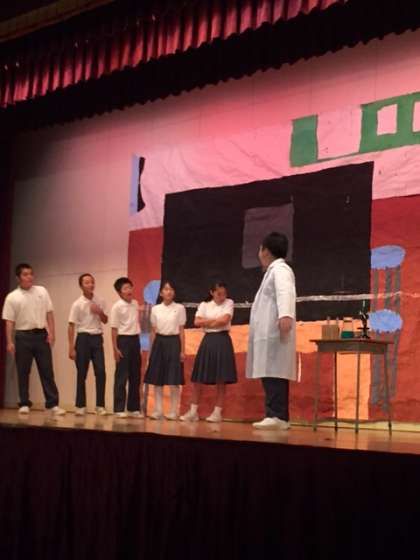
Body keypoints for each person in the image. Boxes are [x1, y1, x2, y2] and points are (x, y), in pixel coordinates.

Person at [246, 232, 296, 430]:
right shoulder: (272, 271)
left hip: (274, 332)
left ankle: (277, 415)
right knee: (270, 371)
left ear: (265, 251)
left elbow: (285, 292)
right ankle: (275, 415)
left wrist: (285, 314)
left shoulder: (280, 270)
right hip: (268, 333)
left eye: (260, 248)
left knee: (274, 371)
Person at [1, 263, 66, 416]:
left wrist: (52, 333)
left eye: (31, 273)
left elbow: (49, 313)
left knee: (47, 371)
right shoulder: (12, 297)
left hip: (41, 335)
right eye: (25, 274)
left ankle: (52, 404)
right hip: (23, 337)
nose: (29, 277)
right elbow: (9, 321)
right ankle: (24, 403)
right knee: (23, 371)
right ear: (18, 278)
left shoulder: (42, 291)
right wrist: (9, 341)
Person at [181, 281, 237, 423]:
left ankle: (217, 413)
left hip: (223, 341)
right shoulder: (204, 305)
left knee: (221, 378)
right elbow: (196, 322)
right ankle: (193, 412)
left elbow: (224, 320)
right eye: (219, 294)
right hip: (208, 340)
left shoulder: (229, 302)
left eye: (224, 294)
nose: (222, 297)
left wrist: (207, 321)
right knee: (198, 378)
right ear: (212, 292)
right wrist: (214, 321)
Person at [144, 280, 186, 420]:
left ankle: (173, 411)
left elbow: (181, 330)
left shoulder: (180, 308)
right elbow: (153, 331)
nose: (169, 292)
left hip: (174, 342)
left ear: (174, 292)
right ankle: (158, 410)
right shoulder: (155, 309)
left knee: (174, 379)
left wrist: (182, 350)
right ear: (161, 293)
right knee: (157, 379)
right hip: (159, 343)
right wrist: (151, 351)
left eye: (171, 289)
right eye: (166, 289)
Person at [68, 273, 108, 416]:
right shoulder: (77, 304)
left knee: (101, 372)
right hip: (83, 338)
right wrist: (71, 347)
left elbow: (105, 320)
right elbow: (71, 326)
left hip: (97, 338)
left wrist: (99, 311)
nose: (90, 284)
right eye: (87, 282)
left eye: (92, 282)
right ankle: (80, 405)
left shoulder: (100, 300)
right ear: (81, 286)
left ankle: (100, 406)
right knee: (82, 373)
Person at [110, 277, 143, 419]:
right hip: (123, 341)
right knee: (121, 376)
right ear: (119, 292)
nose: (129, 290)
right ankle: (118, 408)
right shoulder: (116, 307)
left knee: (135, 375)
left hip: (135, 340)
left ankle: (133, 408)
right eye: (125, 288)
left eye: (130, 287)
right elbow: (113, 329)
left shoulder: (135, 303)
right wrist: (115, 348)